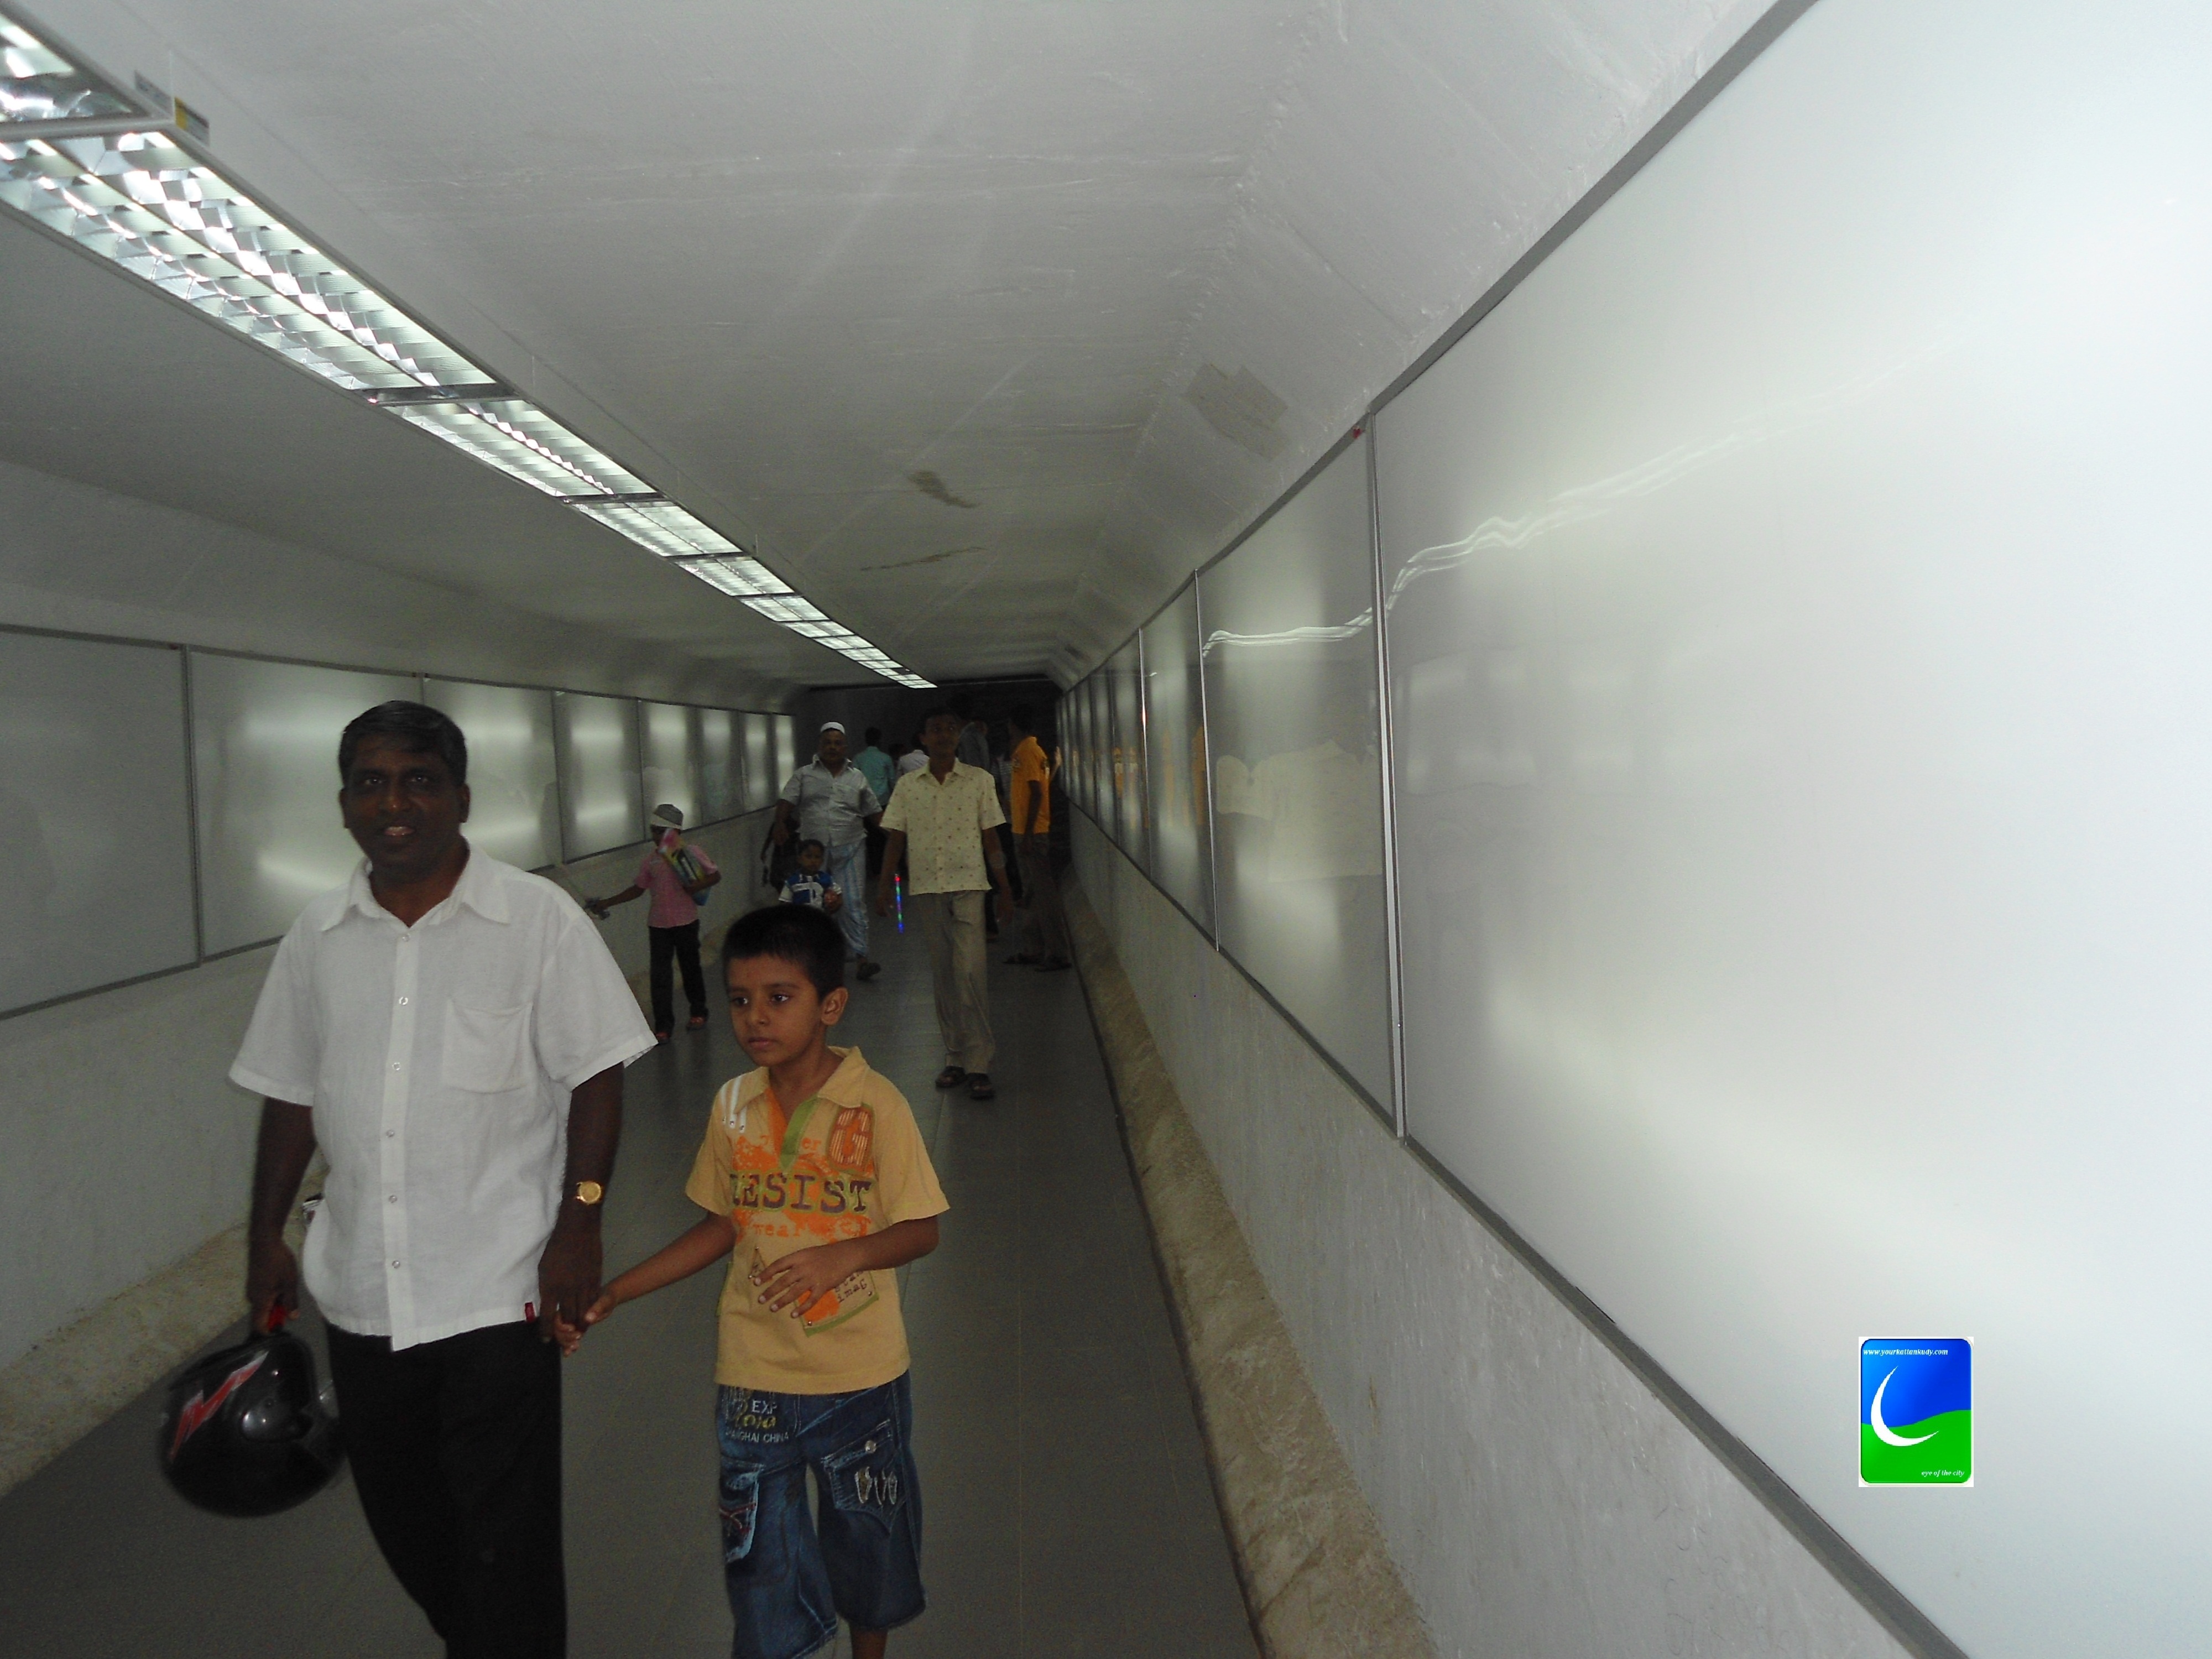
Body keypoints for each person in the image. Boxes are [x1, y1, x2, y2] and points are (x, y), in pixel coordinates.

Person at [232, 700, 655, 1658]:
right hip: (364, 1291)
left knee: (508, 1542)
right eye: (371, 784)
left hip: (497, 1290)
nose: (395, 804)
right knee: (407, 1524)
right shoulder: (318, 936)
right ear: (344, 804)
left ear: (461, 798)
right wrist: (264, 1236)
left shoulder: (535, 920)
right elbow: (290, 1093)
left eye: (419, 781)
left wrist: (580, 1224)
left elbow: (597, 1075)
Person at [559, 905, 946, 1659]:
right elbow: (721, 1227)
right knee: (759, 1559)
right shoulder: (732, 1106)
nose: (755, 1017)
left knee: (867, 1538)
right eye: (740, 999)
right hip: (752, 1377)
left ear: (830, 1005)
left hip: (858, 1378)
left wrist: (843, 1256)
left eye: (779, 997)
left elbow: (922, 1229)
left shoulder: (877, 1106)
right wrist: (617, 1291)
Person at [875, 707, 1014, 1101]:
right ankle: (955, 1056)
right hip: (928, 889)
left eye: (950, 729)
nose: (944, 735)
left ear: (958, 736)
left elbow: (992, 839)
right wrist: (884, 886)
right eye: (935, 730)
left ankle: (979, 1063)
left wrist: (1006, 889)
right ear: (923, 739)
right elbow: (895, 840)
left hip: (969, 886)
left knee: (970, 973)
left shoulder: (979, 781)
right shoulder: (908, 787)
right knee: (944, 976)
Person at [584, 803, 723, 1042]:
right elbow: (638, 889)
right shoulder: (652, 861)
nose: (656, 837)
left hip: (686, 922)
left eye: (661, 831)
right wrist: (607, 903)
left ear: (675, 832)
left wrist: (696, 886)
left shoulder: (691, 853)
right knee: (660, 976)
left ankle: (698, 1012)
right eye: (654, 831)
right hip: (658, 926)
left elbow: (715, 875)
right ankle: (663, 1027)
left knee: (690, 968)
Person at [774, 722, 883, 982]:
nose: (832, 747)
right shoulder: (804, 775)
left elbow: (874, 812)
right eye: (827, 743)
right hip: (813, 853)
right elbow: (787, 801)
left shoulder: (857, 777)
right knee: (811, 903)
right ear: (819, 746)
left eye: (837, 743)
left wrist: (899, 837)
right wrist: (780, 823)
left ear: (846, 747)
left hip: (851, 847)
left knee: (852, 903)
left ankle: (861, 958)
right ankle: (812, 960)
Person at [1003, 705, 1072, 972]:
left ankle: (1058, 953)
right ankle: (1035, 948)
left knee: (1044, 895)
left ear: (1013, 725)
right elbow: (1042, 787)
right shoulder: (1030, 750)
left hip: (1031, 833)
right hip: (1024, 831)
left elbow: (1037, 792)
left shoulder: (1028, 752)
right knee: (1032, 893)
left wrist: (1030, 834)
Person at [852, 727, 897, 877]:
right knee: (884, 836)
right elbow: (892, 781)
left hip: (863, 802)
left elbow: (854, 781)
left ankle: (873, 869)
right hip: (883, 801)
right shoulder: (885, 758)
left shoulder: (859, 758)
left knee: (869, 838)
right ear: (879, 740)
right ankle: (884, 868)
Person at [780, 839, 843, 912]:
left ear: (822, 861)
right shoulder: (792, 881)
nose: (813, 861)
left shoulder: (827, 879)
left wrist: (833, 908)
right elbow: (785, 902)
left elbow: (839, 897)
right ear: (799, 859)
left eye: (817, 857)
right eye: (809, 857)